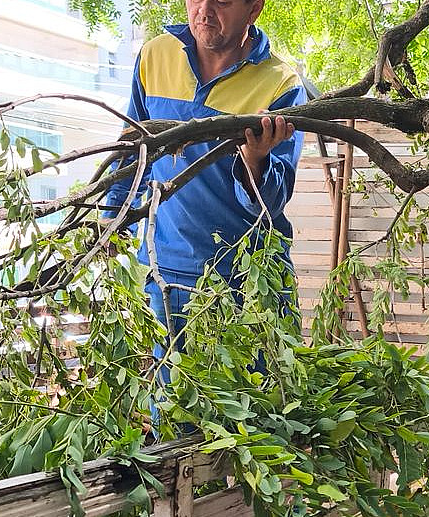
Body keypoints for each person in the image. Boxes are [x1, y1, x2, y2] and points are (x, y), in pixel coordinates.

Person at [106, 0, 308, 344]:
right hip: (168, 272)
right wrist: (112, 218)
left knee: (258, 392)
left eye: (222, 1)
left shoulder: (281, 85)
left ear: (253, 9)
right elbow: (134, 150)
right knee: (172, 392)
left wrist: (255, 161)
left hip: (248, 278)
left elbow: (270, 204)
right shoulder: (155, 57)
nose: (204, 10)